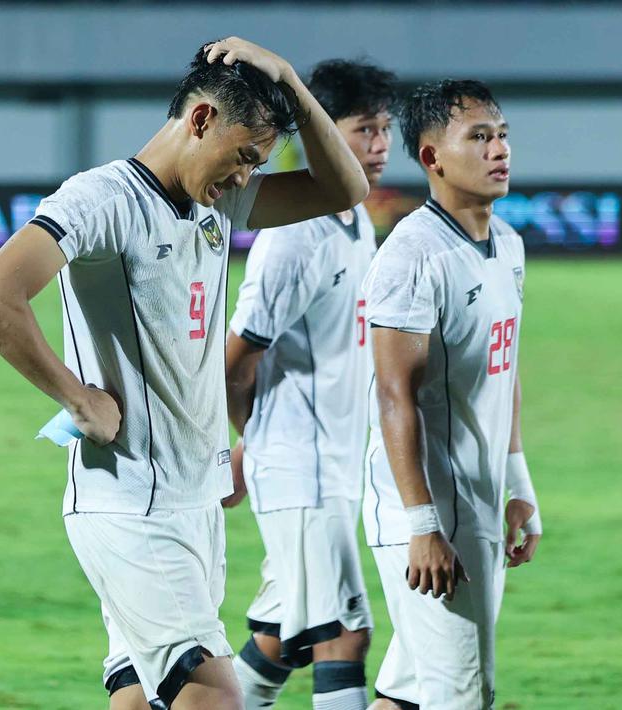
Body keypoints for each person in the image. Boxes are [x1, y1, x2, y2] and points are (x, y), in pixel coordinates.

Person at [0, 37, 368, 710]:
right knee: (214, 696)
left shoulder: (216, 204)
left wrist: (291, 82)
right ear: (201, 119)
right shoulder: (100, 198)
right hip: (131, 503)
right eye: (244, 156)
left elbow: (343, 188)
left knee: (138, 697)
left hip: (191, 499)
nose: (246, 177)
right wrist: (77, 396)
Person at [360, 79, 542, 710]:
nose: (500, 150)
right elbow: (393, 394)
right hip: (431, 514)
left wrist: (518, 482)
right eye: (480, 137)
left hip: (480, 500)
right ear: (433, 157)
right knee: (462, 697)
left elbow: (504, 372)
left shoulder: (509, 247)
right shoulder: (413, 255)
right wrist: (422, 525)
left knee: (405, 696)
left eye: (502, 136)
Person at [221, 59, 397, 710]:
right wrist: (256, 445)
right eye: (361, 130)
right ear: (315, 132)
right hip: (304, 471)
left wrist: (252, 448)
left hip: (328, 464)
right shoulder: (295, 234)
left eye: (384, 130)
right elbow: (236, 361)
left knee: (278, 638)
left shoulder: (353, 219)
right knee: (342, 636)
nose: (378, 146)